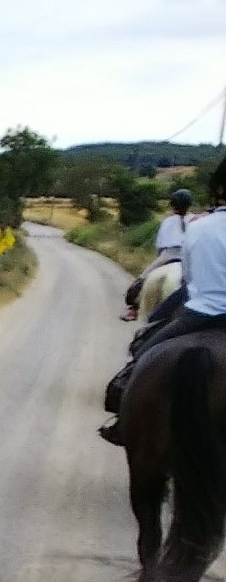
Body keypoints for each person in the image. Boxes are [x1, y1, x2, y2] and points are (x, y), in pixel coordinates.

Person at [101, 161, 226, 444]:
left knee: (144, 348)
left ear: (219, 189)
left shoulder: (199, 227)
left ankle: (124, 414)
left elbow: (189, 278)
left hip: (200, 313)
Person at [121, 187, 194, 320]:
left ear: (173, 205)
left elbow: (160, 247)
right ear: (189, 204)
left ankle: (133, 308)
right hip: (190, 256)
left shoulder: (166, 222)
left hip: (167, 255)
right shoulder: (195, 219)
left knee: (143, 278)